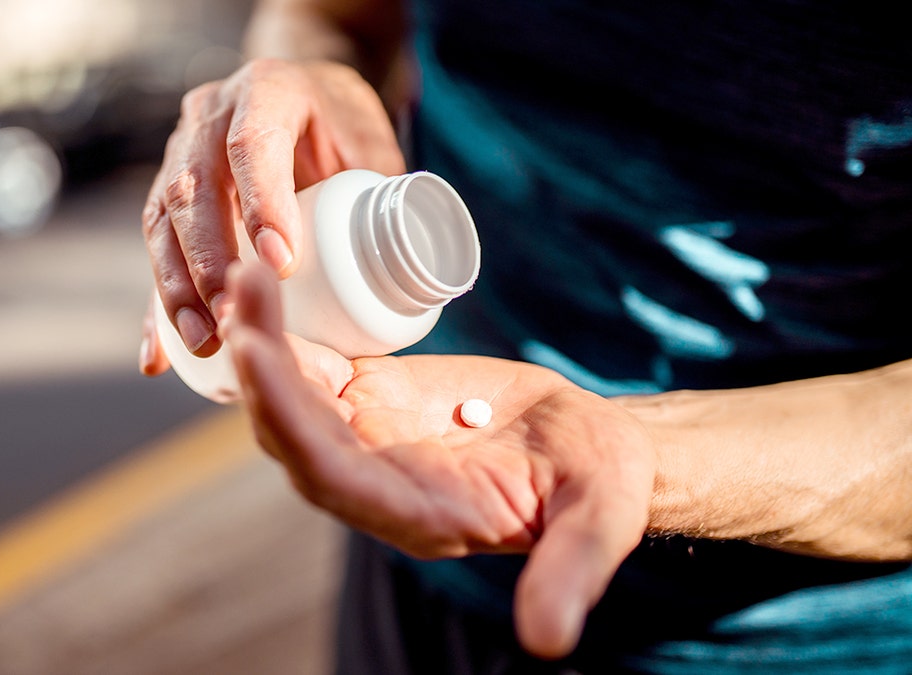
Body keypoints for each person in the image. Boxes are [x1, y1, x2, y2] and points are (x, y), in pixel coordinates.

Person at [139, 0, 912, 672]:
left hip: (785, 635)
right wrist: (307, 75)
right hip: (414, 497)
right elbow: (333, 12)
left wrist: (651, 456)